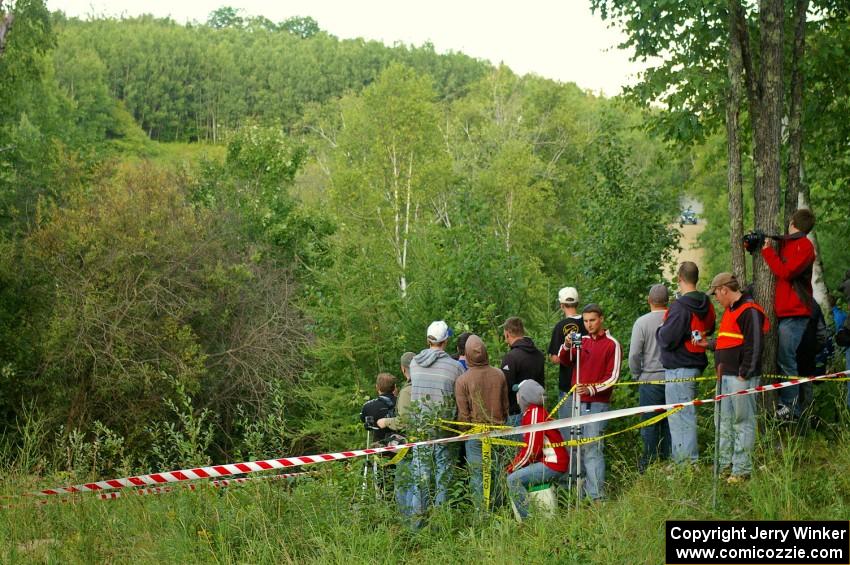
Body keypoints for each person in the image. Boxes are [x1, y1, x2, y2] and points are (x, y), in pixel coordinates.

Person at [702, 273, 769, 483]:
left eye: (716, 294)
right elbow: (730, 342)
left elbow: (755, 344)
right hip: (725, 377)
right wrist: (709, 345)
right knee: (723, 422)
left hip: (740, 378)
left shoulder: (749, 310)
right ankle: (724, 465)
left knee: (742, 422)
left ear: (724, 289)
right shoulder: (731, 311)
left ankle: (741, 470)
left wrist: (745, 372)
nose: (716, 298)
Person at [557, 303, 621, 501]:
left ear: (601, 319)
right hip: (576, 401)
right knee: (576, 448)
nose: (589, 324)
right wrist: (567, 344)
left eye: (592, 320)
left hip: (597, 403)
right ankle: (579, 491)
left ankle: (596, 496)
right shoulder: (580, 340)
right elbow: (564, 360)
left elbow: (613, 377)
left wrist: (592, 389)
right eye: (585, 321)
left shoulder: (612, 344)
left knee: (593, 448)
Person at [656, 261, 716, 465]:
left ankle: (687, 464)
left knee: (680, 416)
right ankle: (684, 462)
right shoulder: (706, 303)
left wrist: (661, 329)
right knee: (684, 414)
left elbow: (666, 338)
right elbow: (710, 327)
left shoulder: (680, 307)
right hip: (695, 361)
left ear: (680, 278)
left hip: (680, 367)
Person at [760, 208, 816, 419]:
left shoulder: (805, 246)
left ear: (793, 222)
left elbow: (786, 272)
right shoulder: (792, 243)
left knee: (786, 359)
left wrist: (767, 252)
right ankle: (791, 404)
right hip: (786, 312)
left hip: (796, 313)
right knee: (783, 358)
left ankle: (791, 406)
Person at [408, 320, 465, 523]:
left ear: (427, 340)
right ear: (446, 341)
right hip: (444, 426)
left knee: (421, 475)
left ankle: (417, 522)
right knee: (443, 476)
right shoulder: (455, 367)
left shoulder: (414, 363)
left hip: (419, 426)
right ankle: (441, 522)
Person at [454, 335, 509, 506]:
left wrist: (465, 434)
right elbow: (505, 405)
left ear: (467, 355)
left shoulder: (463, 380)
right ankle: (500, 507)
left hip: (475, 432)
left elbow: (463, 415)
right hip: (498, 429)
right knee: (498, 470)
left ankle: (481, 512)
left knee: (478, 474)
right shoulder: (499, 374)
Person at [506, 379, 568, 520]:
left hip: (553, 463)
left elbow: (533, 449)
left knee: (512, 480)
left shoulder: (534, 413)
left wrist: (514, 466)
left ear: (524, 397)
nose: (516, 397)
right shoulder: (534, 412)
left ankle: (527, 521)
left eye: (518, 393)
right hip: (549, 461)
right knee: (515, 476)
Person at [628, 284, 672, 471]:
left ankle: (649, 465)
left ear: (649, 300)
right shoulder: (673, 318)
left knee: (650, 425)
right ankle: (670, 461)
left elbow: (634, 354)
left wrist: (637, 374)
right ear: (667, 301)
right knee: (671, 423)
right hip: (672, 377)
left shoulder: (642, 322)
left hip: (650, 380)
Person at [376, 352, 416, 517]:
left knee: (404, 482)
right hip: (425, 441)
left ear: (403, 368)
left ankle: (406, 520)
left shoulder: (407, 391)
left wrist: (386, 422)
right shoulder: (424, 385)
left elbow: (404, 421)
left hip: (409, 444)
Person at [548, 286, 586, 421]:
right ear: (577, 303)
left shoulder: (560, 326)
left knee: (567, 429)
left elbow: (556, 359)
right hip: (587, 385)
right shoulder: (588, 322)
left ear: (561, 305)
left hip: (568, 384)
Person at [501, 317, 545, 427]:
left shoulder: (511, 358)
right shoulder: (539, 354)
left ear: (507, 333)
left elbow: (505, 387)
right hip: (538, 411)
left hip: (516, 413)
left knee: (517, 444)